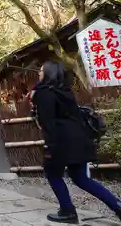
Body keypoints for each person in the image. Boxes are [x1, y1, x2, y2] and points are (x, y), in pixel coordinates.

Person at [32, 61, 121, 223]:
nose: (39, 73)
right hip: (80, 140)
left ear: (48, 74)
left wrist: (49, 147)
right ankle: (118, 206)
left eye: (41, 71)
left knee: (52, 174)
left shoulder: (45, 93)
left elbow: (48, 123)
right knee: (81, 178)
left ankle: (67, 211)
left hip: (61, 142)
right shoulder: (65, 91)